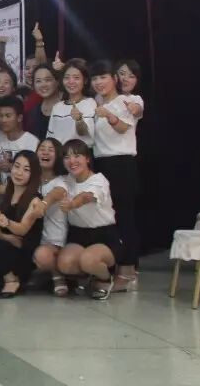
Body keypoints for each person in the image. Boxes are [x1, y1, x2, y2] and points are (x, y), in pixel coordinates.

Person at [89, 60, 140, 291]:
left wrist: (109, 115)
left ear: (114, 79)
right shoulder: (96, 103)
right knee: (107, 218)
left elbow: (123, 128)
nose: (99, 82)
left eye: (103, 77)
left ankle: (128, 271)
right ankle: (110, 267)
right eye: (95, 78)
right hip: (101, 163)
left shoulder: (126, 101)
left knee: (124, 217)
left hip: (122, 163)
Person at [55, 139, 121, 300]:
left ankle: (105, 278)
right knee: (64, 263)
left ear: (87, 159)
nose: (72, 161)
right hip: (78, 234)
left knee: (88, 260)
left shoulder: (99, 180)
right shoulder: (66, 180)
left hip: (104, 235)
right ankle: (87, 275)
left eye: (77, 156)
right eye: (67, 157)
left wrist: (72, 204)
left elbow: (86, 197)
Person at [0, 151, 46, 298]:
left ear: (33, 174)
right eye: (17, 166)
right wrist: (7, 237)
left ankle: (12, 280)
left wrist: (8, 223)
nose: (19, 173)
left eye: (26, 170)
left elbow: (23, 229)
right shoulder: (8, 194)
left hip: (23, 253)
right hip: (4, 248)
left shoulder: (35, 200)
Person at [30, 138, 73, 296]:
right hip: (33, 236)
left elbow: (56, 193)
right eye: (42, 148)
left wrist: (43, 204)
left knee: (42, 255)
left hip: (55, 241)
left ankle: (57, 275)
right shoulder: (31, 179)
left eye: (50, 150)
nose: (45, 152)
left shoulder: (62, 181)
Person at [47, 59, 96, 147]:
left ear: (85, 80)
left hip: (83, 153)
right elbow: (51, 138)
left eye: (76, 78)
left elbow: (84, 133)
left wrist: (79, 119)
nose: (71, 82)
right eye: (67, 77)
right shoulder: (57, 107)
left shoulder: (90, 103)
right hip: (60, 153)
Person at [26, 64, 61, 139]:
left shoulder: (67, 107)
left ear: (57, 81)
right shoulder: (34, 112)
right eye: (38, 81)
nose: (43, 85)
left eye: (47, 80)